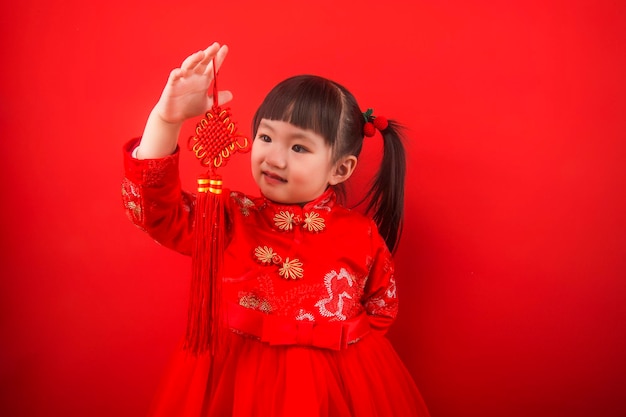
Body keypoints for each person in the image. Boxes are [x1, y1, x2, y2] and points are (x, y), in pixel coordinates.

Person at [122, 42, 431, 417]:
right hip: (235, 384)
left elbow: (381, 312)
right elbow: (155, 214)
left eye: (299, 148)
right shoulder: (230, 216)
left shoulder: (361, 235)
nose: (275, 157)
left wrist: (332, 364)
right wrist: (166, 120)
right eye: (266, 138)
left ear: (341, 169)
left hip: (333, 390)